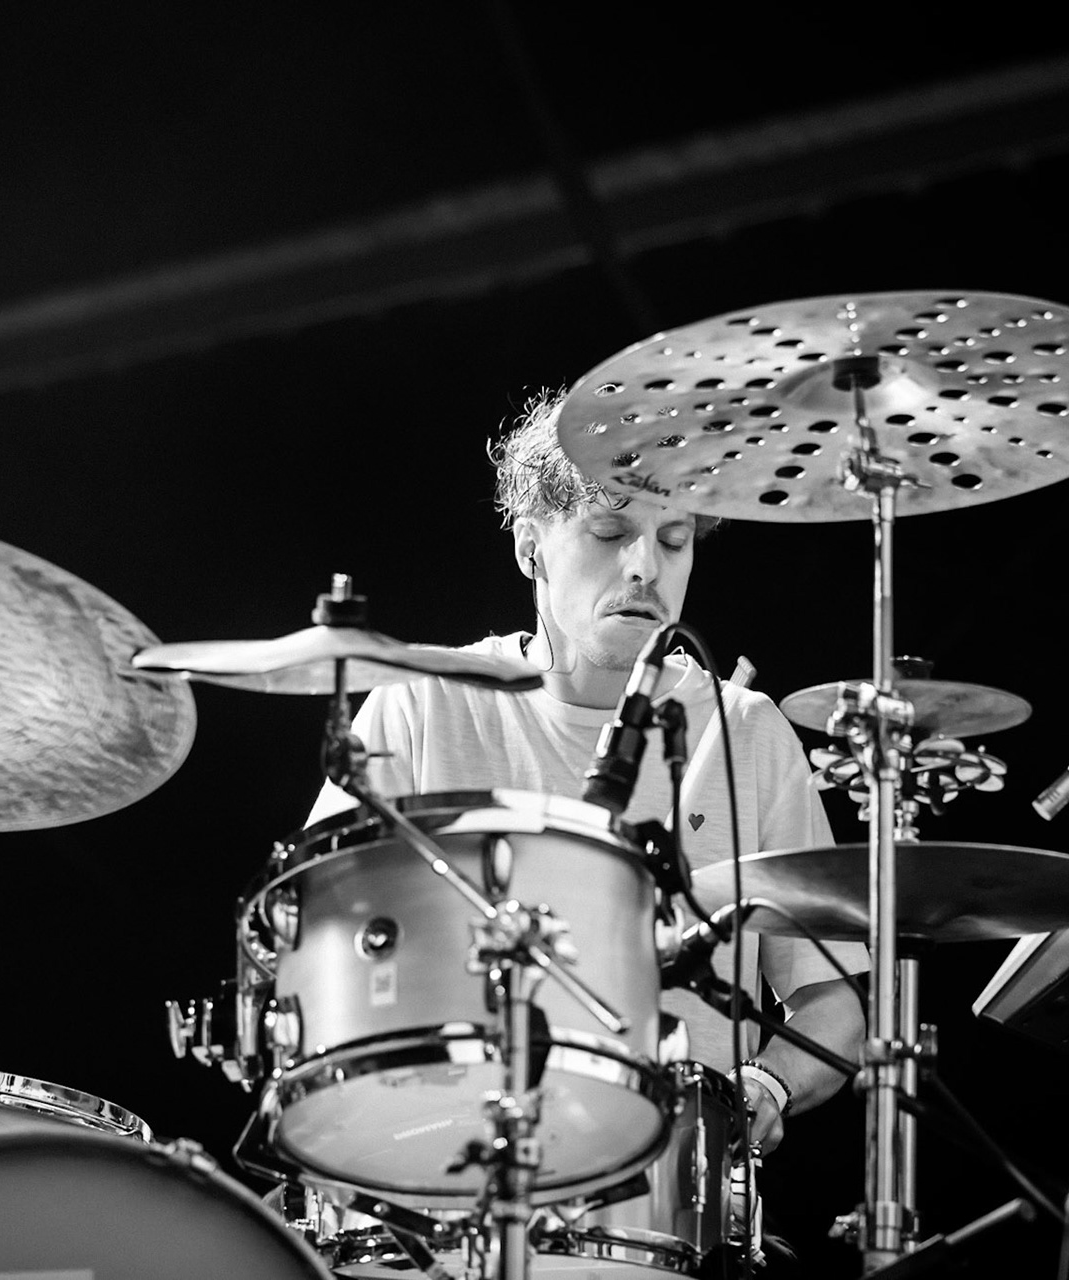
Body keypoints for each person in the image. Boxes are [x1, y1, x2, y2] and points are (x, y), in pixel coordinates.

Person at [308, 388, 865, 1154]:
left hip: (666, 1197)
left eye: (674, 540)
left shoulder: (746, 729)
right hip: (441, 1157)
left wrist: (764, 1087)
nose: (645, 567)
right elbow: (320, 940)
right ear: (530, 546)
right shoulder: (421, 703)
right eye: (611, 531)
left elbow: (830, 999)